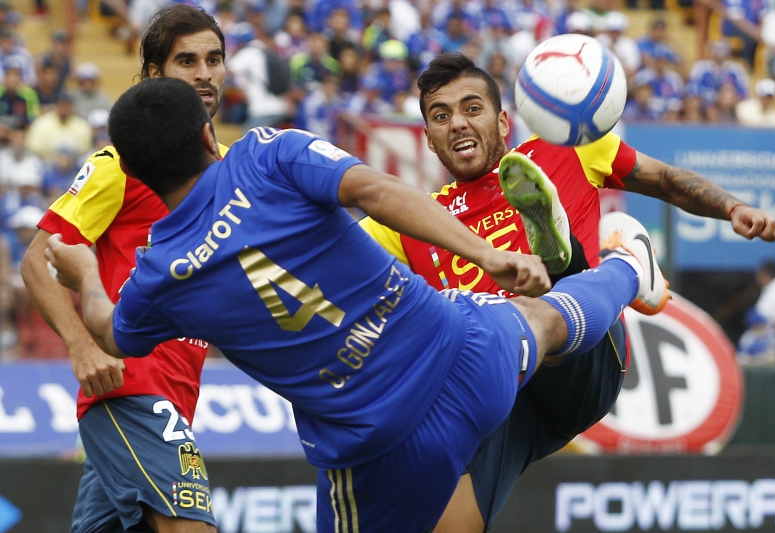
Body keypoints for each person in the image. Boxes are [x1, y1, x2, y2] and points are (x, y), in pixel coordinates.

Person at [48, 75, 664, 533]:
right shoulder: (268, 151)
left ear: (132, 170)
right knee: (543, 317)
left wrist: (83, 271)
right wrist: (489, 255)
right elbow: (374, 188)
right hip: (462, 352)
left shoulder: (157, 276)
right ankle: (628, 267)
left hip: (378, 438)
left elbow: (111, 333)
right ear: (210, 133)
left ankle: (623, 271)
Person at [360, 53, 775, 532]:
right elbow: (321, 249)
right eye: (440, 116)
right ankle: (605, 262)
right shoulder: (414, 220)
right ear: (430, 140)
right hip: (502, 391)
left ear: (501, 120)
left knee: (535, 315)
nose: (456, 123)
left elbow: (662, 179)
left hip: (584, 359)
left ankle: (573, 265)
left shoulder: (566, 149)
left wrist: (733, 207)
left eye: (471, 108)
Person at [20, 5, 227, 533]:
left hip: (177, 397)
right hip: (131, 390)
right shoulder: (120, 163)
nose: (204, 73)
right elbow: (38, 260)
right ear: (154, 75)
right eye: (187, 61)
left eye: (213, 58)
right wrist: (81, 344)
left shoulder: (230, 169)